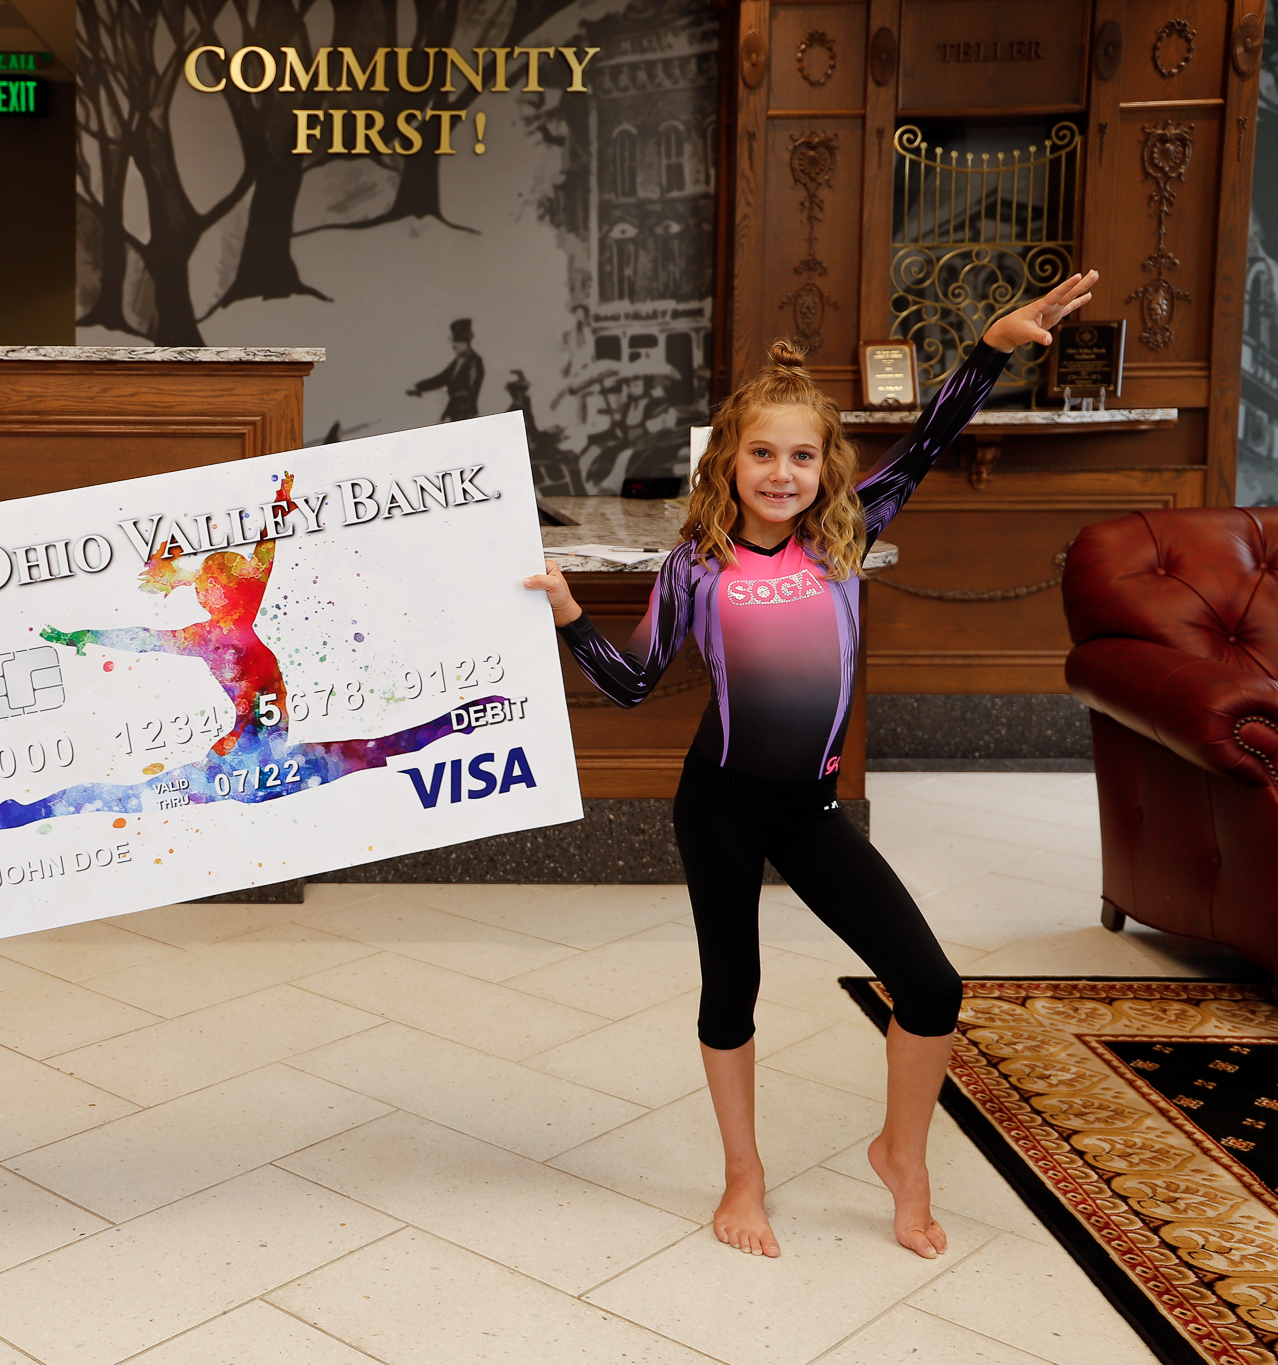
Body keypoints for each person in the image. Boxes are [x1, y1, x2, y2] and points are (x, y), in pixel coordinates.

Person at [524, 270, 1098, 1259]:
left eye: (799, 455)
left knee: (929, 986)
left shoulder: (847, 532)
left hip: (810, 811)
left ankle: (899, 1158)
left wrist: (991, 347)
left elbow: (928, 439)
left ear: (824, 465)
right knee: (728, 989)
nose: (780, 472)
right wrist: (573, 620)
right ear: (726, 463)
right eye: (761, 454)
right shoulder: (693, 565)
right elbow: (629, 686)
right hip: (718, 804)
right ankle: (741, 1175)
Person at [408, 317, 484, 422]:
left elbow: (471, 392)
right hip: (455, 412)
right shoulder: (458, 361)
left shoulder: (475, 361)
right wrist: (419, 387)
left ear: (465, 342)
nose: (453, 346)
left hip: (465, 414)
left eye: (456, 342)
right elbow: (442, 378)